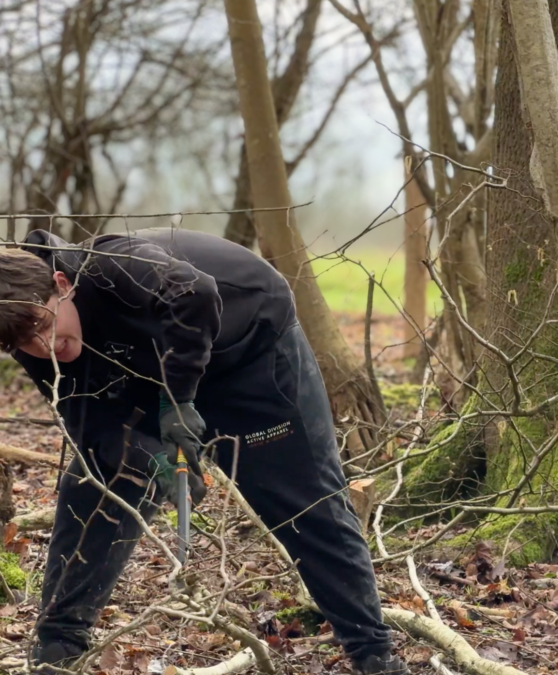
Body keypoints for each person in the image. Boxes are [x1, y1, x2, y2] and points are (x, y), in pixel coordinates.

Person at [0, 228, 408, 674]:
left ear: (62, 284)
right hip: (146, 370)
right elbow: (89, 423)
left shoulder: (115, 266)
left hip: (249, 352)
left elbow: (194, 292)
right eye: (25, 343)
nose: (44, 347)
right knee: (98, 480)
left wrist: (177, 401)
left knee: (303, 501)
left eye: (44, 326)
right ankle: (58, 647)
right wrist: (148, 459)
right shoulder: (21, 326)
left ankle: (374, 654)